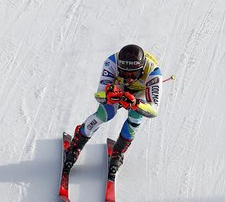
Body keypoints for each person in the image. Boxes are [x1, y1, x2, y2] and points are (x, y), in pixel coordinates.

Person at [63, 44, 162, 181]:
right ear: (118, 67)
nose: (129, 78)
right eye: (124, 73)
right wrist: (109, 95)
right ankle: (76, 145)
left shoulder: (153, 72)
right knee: (105, 114)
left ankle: (118, 152)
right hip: (118, 87)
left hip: (140, 93)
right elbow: (99, 96)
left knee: (135, 117)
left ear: (142, 68)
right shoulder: (111, 63)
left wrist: (136, 104)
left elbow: (153, 111)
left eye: (133, 74)